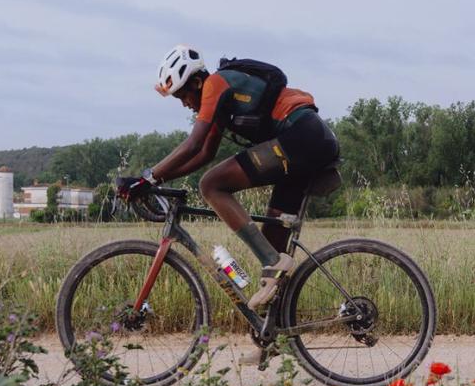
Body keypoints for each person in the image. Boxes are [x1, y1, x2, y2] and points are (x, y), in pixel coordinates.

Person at [118, 44, 340, 317]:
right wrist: (154, 181)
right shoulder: (221, 101)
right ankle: (273, 336)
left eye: (183, 96)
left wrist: (147, 178)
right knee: (272, 250)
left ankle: (273, 261)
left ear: (198, 82)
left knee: (211, 185)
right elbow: (203, 154)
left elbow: (193, 144)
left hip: (303, 138)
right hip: (304, 145)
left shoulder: (215, 84)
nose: (185, 104)